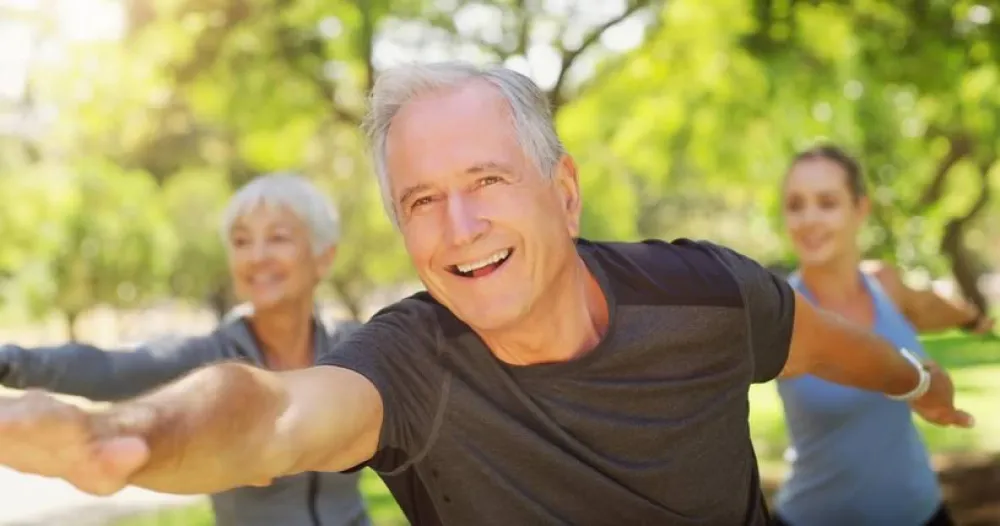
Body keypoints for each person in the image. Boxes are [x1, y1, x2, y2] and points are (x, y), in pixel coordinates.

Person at [0, 62, 976, 526]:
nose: (457, 227)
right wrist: (124, 438)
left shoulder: (706, 294)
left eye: (486, 182)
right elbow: (273, 412)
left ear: (562, 190)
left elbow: (832, 347)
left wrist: (917, 382)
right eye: (422, 200)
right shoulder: (411, 363)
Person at [0, 173, 372, 526]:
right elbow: (111, 368)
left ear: (324, 256)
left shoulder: (354, 347)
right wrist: (11, 362)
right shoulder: (211, 358)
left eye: (277, 238)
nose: (256, 256)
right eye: (241, 242)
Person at [770, 145, 994, 526]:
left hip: (920, 511)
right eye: (795, 205)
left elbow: (927, 305)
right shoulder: (782, 312)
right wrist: (921, 382)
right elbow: (854, 358)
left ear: (860, 209)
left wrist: (970, 319)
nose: (808, 219)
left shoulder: (885, 282)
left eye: (827, 203)